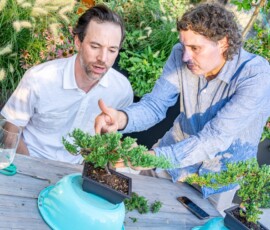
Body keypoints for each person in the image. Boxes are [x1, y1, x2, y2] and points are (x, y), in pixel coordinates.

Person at [95, 3, 270, 210]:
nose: (186, 56)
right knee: (132, 211)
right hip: (171, 157)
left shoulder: (256, 75)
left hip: (217, 180)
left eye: (195, 48)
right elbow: (155, 105)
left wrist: (156, 158)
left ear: (223, 43)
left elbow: (215, 138)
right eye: (184, 46)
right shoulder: (181, 53)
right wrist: (122, 118)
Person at [0, 4, 133, 164]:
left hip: (76, 175)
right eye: (95, 46)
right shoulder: (40, 78)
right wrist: (32, 168)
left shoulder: (122, 90)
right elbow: (11, 128)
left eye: (112, 50)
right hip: (29, 162)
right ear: (78, 42)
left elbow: (108, 141)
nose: (103, 58)